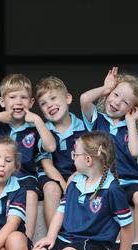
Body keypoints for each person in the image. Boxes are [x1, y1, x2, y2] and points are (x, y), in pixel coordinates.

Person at [0, 74, 56, 240]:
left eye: (24, 97)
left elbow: (51, 146)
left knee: (31, 193)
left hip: (24, 176)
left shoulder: (33, 127)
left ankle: (26, 239)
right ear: (2, 101)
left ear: (31, 102)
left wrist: (37, 120)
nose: (18, 102)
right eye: (12, 97)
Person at [80, 67, 138, 250]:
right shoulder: (97, 120)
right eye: (115, 95)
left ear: (133, 109)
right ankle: (114, 242)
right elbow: (85, 99)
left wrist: (130, 122)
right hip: (107, 180)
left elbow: (135, 151)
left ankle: (137, 244)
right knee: (108, 199)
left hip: (132, 179)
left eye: (125, 102)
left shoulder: (132, 130)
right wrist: (104, 89)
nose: (116, 102)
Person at [34, 76, 88, 228]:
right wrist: (65, 186)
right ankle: (54, 237)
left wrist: (74, 177)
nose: (49, 105)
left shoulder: (83, 127)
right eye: (43, 104)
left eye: (53, 98)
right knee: (51, 189)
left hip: (78, 172)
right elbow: (47, 165)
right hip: (52, 175)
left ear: (68, 98)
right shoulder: (43, 131)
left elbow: (88, 160)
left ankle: (83, 233)